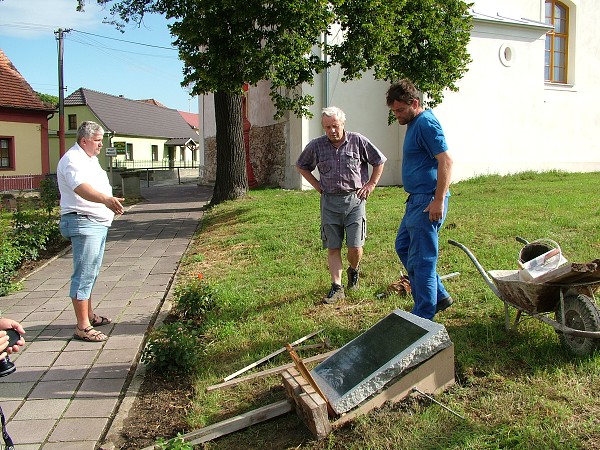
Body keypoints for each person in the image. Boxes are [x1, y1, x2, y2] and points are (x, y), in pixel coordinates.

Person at [296, 106, 387, 304]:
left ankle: (353, 270)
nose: (332, 131)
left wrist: (371, 184)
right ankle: (337, 287)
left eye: (335, 126)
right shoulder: (316, 146)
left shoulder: (358, 141)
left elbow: (379, 161)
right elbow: (301, 165)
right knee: (333, 246)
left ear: (343, 124)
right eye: (327, 127)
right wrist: (316, 185)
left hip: (354, 201)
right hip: (329, 202)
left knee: (355, 246)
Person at [385, 79, 454, 320]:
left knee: (422, 259)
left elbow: (445, 160)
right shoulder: (413, 123)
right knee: (403, 247)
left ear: (415, 103)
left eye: (401, 110)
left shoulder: (425, 123)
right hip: (415, 200)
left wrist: (439, 200)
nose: (397, 115)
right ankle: (440, 296)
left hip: (428, 200)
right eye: (394, 111)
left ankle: (424, 315)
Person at [57, 121, 125, 342]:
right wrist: (106, 200)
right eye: (97, 141)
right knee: (84, 274)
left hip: (94, 222)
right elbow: (80, 188)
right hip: (83, 222)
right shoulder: (72, 160)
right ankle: (83, 326)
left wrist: (109, 203)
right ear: (84, 140)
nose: (101, 145)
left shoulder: (89, 159)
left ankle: (89, 316)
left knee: (91, 272)